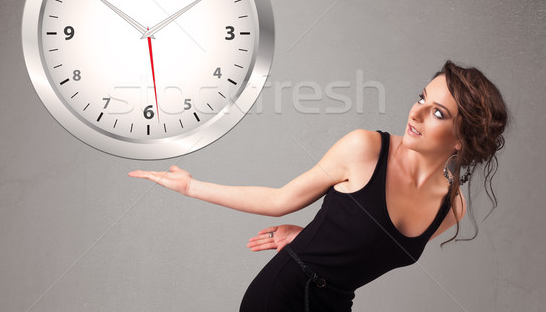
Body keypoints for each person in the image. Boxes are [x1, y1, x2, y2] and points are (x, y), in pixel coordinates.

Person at [128, 60, 508, 311]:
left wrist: (316, 240)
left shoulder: (451, 208)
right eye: (422, 97)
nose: (416, 112)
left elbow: (373, 249)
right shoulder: (365, 148)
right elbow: (279, 200)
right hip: (281, 293)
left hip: (335, 304)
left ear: (461, 140)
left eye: (438, 113)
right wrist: (192, 187)